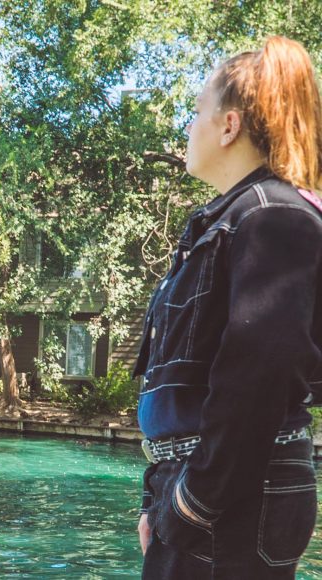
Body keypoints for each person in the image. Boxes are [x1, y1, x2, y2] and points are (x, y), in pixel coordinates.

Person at [133, 36, 322, 579]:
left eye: (196, 112)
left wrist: (193, 502)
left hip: (234, 491)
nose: (187, 128)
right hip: (210, 481)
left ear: (229, 126)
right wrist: (161, 494)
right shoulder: (230, 221)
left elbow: (259, 374)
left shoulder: (273, 219)